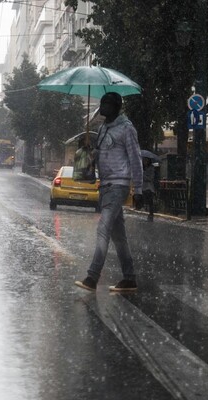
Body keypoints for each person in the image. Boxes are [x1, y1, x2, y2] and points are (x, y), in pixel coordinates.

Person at [75, 92, 143, 293]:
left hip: (118, 185)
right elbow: (102, 154)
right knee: (119, 237)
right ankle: (129, 278)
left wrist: (138, 189)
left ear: (116, 106)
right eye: (102, 102)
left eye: (107, 103)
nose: (102, 107)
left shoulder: (127, 128)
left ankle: (92, 277)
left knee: (102, 229)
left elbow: (135, 159)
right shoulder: (103, 129)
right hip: (105, 185)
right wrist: (90, 152)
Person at [142, 157, 156, 222]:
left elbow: (151, 178)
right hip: (143, 187)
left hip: (149, 187)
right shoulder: (142, 168)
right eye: (144, 160)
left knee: (150, 201)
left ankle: (151, 214)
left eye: (146, 160)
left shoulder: (151, 168)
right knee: (145, 200)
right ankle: (147, 210)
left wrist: (143, 175)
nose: (145, 162)